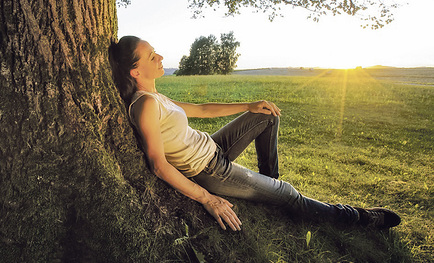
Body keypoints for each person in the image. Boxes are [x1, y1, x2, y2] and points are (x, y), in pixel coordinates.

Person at [108, 36, 401, 231]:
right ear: (135, 71)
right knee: (289, 194)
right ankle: (357, 217)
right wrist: (207, 198)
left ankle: (269, 186)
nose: (159, 56)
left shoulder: (155, 95)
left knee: (265, 116)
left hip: (213, 147)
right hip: (210, 170)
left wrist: (249, 105)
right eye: (150, 55)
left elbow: (201, 108)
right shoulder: (145, 104)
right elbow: (158, 164)